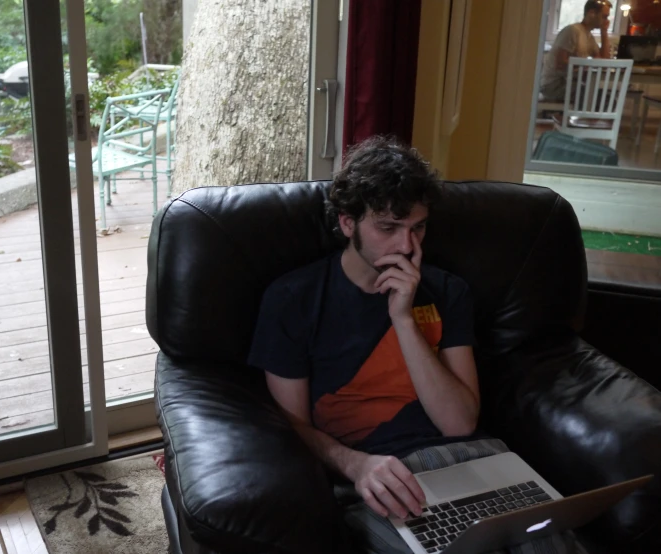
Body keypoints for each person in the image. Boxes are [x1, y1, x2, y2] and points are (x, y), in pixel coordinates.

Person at [247, 137, 585, 554]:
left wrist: (403, 319)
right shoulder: (293, 299)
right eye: (388, 227)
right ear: (348, 222)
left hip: (474, 458)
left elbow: (459, 424)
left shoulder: (447, 292)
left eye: (418, 227)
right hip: (384, 474)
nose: (407, 246)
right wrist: (355, 465)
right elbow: (291, 425)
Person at [540, 0, 613, 102]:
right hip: (555, 85)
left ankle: (579, 118)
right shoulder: (572, 31)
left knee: (606, 99)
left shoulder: (589, 36)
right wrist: (587, 64)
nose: (606, 21)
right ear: (591, 13)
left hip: (571, 83)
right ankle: (568, 117)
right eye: (604, 16)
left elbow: (604, 61)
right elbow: (560, 64)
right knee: (601, 100)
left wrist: (604, 31)